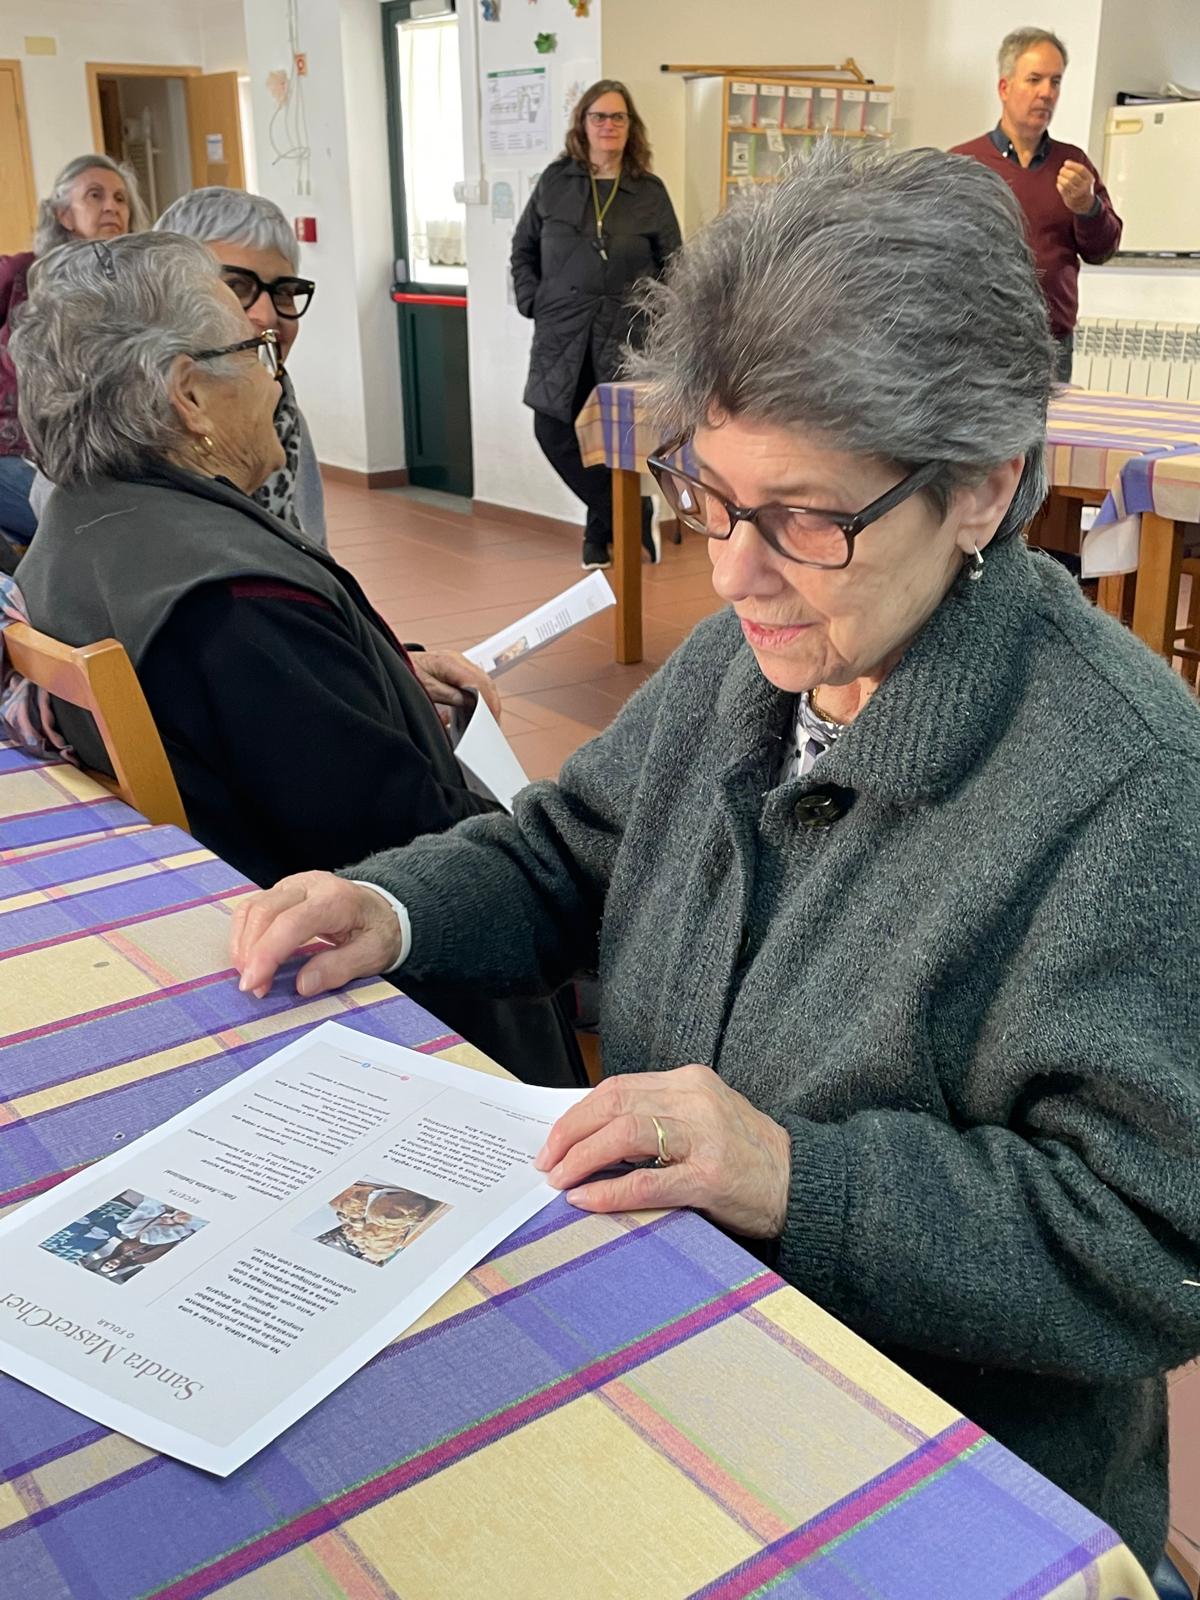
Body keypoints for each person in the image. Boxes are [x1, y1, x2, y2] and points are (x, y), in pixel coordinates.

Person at [231, 144, 1200, 1577]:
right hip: (674, 1352)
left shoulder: (1127, 786)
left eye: (807, 516)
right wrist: (391, 906)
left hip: (939, 1476)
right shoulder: (744, 668)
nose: (735, 570)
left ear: (984, 488)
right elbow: (568, 851)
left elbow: (1146, 1249)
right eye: (711, 495)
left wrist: (793, 1175)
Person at [10, 231, 584, 1088]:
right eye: (256, 352)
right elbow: (417, 850)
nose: (277, 377)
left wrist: (386, 674)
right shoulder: (236, 608)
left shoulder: (77, 524)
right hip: (399, 1007)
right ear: (189, 396)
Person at [511, 79, 681, 570]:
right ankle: (628, 516)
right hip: (562, 331)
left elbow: (675, 266)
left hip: (626, 334)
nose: (608, 125)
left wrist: (662, 322)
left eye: (618, 117)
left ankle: (596, 536)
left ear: (631, 127)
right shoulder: (555, 181)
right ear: (583, 124)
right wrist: (533, 300)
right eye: (599, 116)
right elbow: (523, 249)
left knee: (613, 442)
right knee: (553, 430)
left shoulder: (648, 191)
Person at [154, 188, 326, 545]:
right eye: (235, 287)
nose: (268, 315)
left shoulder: (283, 418)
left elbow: (314, 548)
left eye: (283, 292)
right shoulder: (119, 432)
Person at [950, 27, 1121, 382]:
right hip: (976, 343)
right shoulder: (962, 164)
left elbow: (1103, 250)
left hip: (1051, 344)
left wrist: (1088, 207)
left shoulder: (1074, 166)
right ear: (1004, 87)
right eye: (1034, 79)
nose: (1047, 93)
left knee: (1051, 423)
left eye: (1055, 82)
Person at [0, 153, 147, 546]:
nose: (111, 207)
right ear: (64, 215)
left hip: (99, 453)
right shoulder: (22, 275)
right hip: (14, 448)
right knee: (97, 534)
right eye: (95, 196)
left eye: (120, 199)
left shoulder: (137, 292)